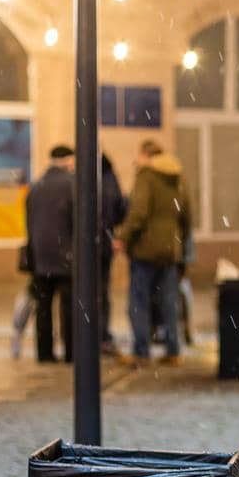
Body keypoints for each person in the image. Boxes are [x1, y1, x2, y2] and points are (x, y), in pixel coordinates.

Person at [114, 138, 191, 368]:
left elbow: (138, 212)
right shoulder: (178, 178)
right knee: (168, 301)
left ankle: (141, 352)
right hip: (170, 251)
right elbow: (187, 217)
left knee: (139, 301)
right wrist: (180, 243)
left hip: (145, 250)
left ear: (146, 155)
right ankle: (173, 349)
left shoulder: (147, 176)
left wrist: (123, 238)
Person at [24, 144, 76, 363]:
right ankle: (71, 352)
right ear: (68, 161)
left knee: (43, 308)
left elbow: (28, 221)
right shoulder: (72, 185)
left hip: (40, 258)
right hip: (67, 257)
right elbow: (78, 222)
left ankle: (44, 353)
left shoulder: (36, 186)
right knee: (70, 308)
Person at [99, 153, 129, 356]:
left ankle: (89, 335)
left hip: (86, 245)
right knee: (101, 292)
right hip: (104, 243)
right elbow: (121, 209)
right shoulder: (111, 180)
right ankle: (102, 336)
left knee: (86, 293)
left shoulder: (84, 179)